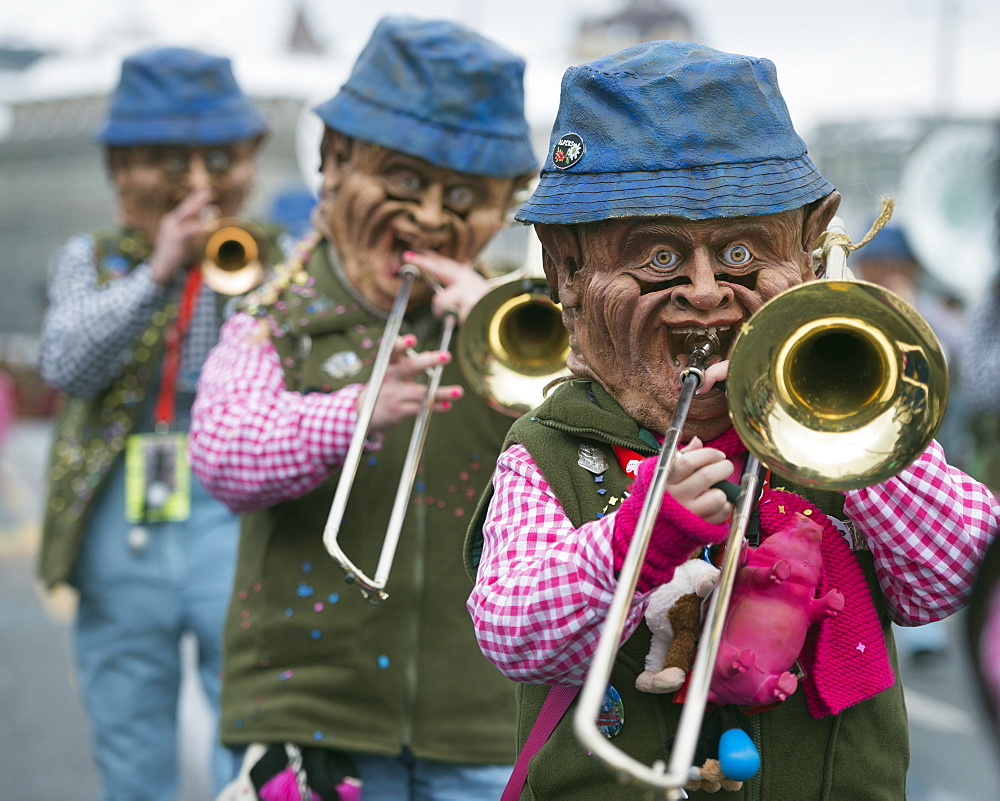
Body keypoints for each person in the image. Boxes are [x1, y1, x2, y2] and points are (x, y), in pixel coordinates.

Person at [464, 41, 1000, 800]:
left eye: (744, 251)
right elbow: (513, 629)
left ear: (810, 255)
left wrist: (844, 433)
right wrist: (637, 538)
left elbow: (951, 580)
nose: (708, 291)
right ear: (569, 272)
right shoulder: (551, 449)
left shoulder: (853, 427)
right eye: (657, 258)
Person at [187, 17, 537, 801]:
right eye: (406, 183)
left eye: (467, 197)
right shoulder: (277, 315)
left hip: (482, 723)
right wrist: (346, 415)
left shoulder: (520, 323)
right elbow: (219, 454)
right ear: (337, 162)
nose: (434, 218)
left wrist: (500, 327)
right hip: (310, 717)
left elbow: (604, 451)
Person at [37, 47, 277, 800]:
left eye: (219, 158)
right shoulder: (91, 258)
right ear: (120, 169)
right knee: (128, 728)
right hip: (120, 518)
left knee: (244, 726)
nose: (198, 180)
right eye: (170, 159)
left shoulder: (277, 258)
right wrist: (158, 272)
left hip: (228, 507)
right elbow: (65, 363)